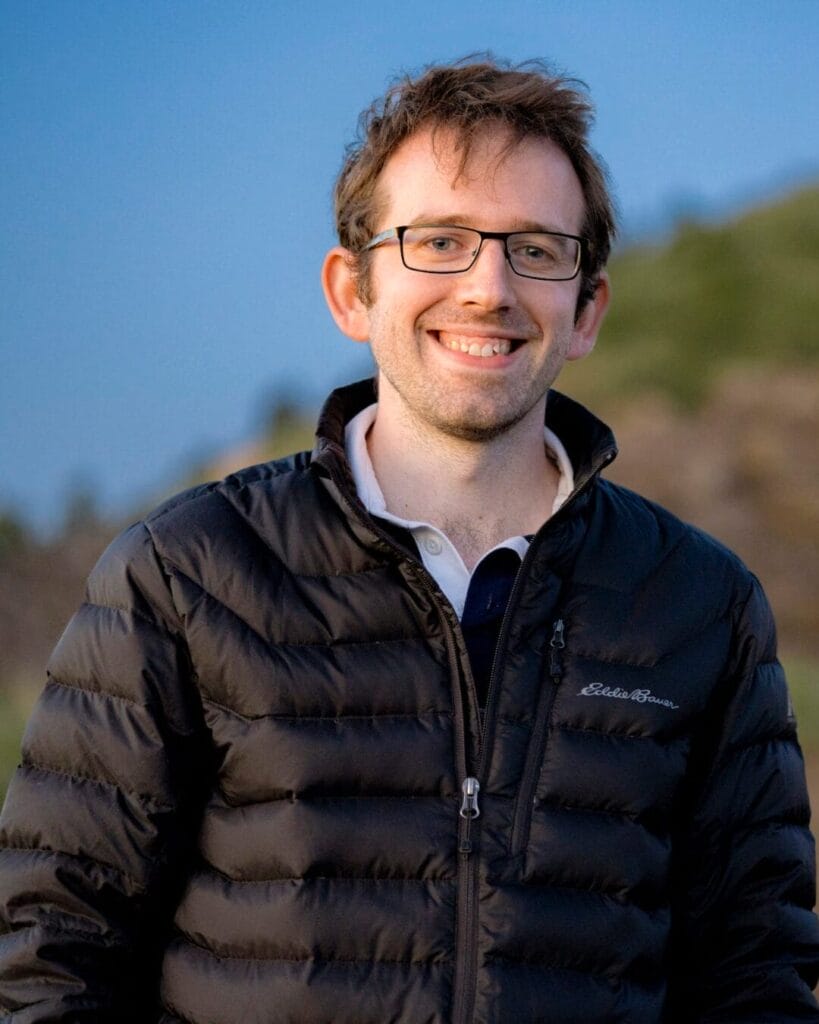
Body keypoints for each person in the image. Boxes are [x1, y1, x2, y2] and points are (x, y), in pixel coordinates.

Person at [0, 57, 817, 1024]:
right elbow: (51, 960)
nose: (488, 288)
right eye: (439, 241)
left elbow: (754, 983)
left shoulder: (696, 603)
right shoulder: (185, 576)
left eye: (535, 249)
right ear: (352, 291)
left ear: (587, 308)